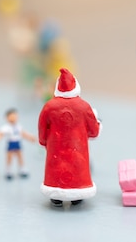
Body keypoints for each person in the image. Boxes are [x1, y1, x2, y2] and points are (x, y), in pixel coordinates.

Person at [38, 68, 101, 207]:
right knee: (78, 169)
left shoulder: (49, 106)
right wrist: (97, 126)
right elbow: (94, 130)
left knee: (55, 170)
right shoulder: (84, 106)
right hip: (78, 149)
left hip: (55, 148)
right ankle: (77, 194)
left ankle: (55, 196)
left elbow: (42, 127)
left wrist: (44, 141)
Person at [0, 108, 36, 180]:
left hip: (17, 143)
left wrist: (30, 138)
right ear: (7, 118)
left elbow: (23, 134)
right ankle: (8, 171)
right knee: (9, 157)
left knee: (20, 156)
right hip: (11, 143)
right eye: (11, 117)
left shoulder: (18, 126)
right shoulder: (5, 128)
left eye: (15, 117)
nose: (13, 119)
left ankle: (22, 169)